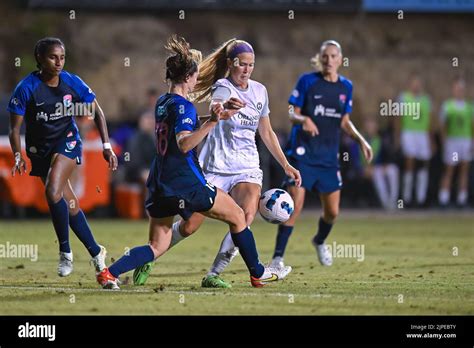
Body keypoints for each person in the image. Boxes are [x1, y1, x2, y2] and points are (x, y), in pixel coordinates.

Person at [96, 35, 291, 289]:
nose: (198, 80)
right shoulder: (185, 107)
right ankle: (257, 273)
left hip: (160, 181)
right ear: (188, 77)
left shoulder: (163, 103)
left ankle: (109, 273)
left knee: (157, 246)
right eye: (196, 76)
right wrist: (212, 121)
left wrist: (214, 116)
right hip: (186, 181)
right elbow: (185, 143)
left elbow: (183, 123)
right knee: (238, 217)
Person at [8, 37, 118, 276]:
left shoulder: (71, 82)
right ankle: (96, 252)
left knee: (51, 191)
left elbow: (96, 111)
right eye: (52, 57)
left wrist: (106, 145)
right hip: (39, 150)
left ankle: (65, 253)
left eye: (62, 57)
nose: (58, 62)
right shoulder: (26, 88)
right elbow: (14, 129)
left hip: (67, 142)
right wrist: (17, 155)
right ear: (40, 58)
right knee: (69, 204)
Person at [268, 40, 373, 269]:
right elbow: (291, 113)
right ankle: (277, 258)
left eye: (333, 56)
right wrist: (304, 119)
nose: (329, 60)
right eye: (325, 56)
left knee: (332, 212)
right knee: (295, 205)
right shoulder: (308, 81)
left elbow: (344, 122)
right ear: (320, 58)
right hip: (302, 155)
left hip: (328, 159)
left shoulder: (346, 87)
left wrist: (361, 140)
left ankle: (319, 241)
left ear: (341, 60)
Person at [396, 74, 434, 207]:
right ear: (410, 84)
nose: (416, 85)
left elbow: (430, 121)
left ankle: (421, 198)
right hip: (409, 133)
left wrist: (431, 139)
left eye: (418, 83)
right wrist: (398, 136)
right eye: (414, 83)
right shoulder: (403, 98)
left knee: (424, 163)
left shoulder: (426, 100)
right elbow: (398, 119)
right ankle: (406, 198)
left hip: (422, 135)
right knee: (409, 162)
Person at [438, 78, 473, 208]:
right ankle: (444, 199)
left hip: (466, 141)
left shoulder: (470, 107)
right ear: (453, 90)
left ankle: (461, 199)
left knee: (464, 170)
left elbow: (472, 125)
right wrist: (445, 141)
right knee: (450, 169)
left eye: (461, 89)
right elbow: (443, 125)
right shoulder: (448, 106)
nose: (459, 91)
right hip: (453, 141)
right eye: (457, 89)